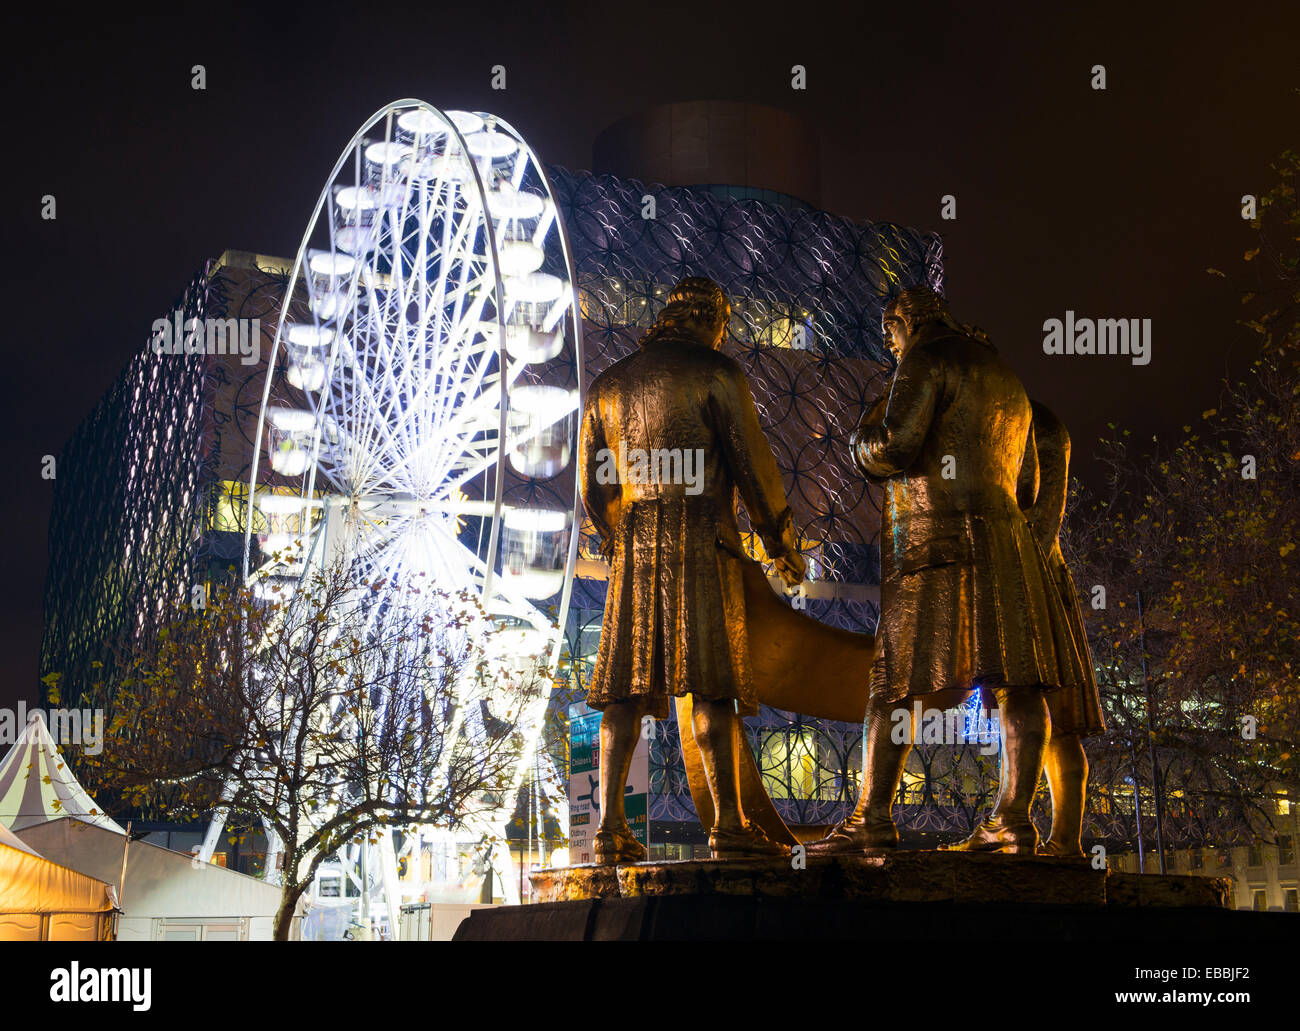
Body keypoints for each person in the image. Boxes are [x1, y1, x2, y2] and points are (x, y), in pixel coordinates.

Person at [809, 286, 1066, 855]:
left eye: (890, 337)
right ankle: (1014, 821)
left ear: (905, 323)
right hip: (1004, 543)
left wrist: (859, 440)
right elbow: (1028, 487)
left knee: (893, 680)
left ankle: (872, 816)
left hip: (936, 542)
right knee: (1018, 682)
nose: (892, 348)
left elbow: (893, 447)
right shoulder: (1009, 379)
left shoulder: (926, 358)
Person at [578, 276, 806, 862]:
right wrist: (780, 541)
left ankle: (609, 829)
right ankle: (728, 824)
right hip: (702, 538)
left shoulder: (608, 385)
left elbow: (593, 484)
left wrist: (619, 534)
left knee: (623, 690)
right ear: (711, 321)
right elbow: (752, 464)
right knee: (712, 686)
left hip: (636, 545)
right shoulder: (718, 374)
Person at [1020, 400, 1105, 857]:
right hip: (1047, 574)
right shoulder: (1046, 420)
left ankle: (1042, 834)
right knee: (1059, 722)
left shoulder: (1024, 418)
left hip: (1027, 577)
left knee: (1043, 714)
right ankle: (1063, 840)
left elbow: (1031, 507)